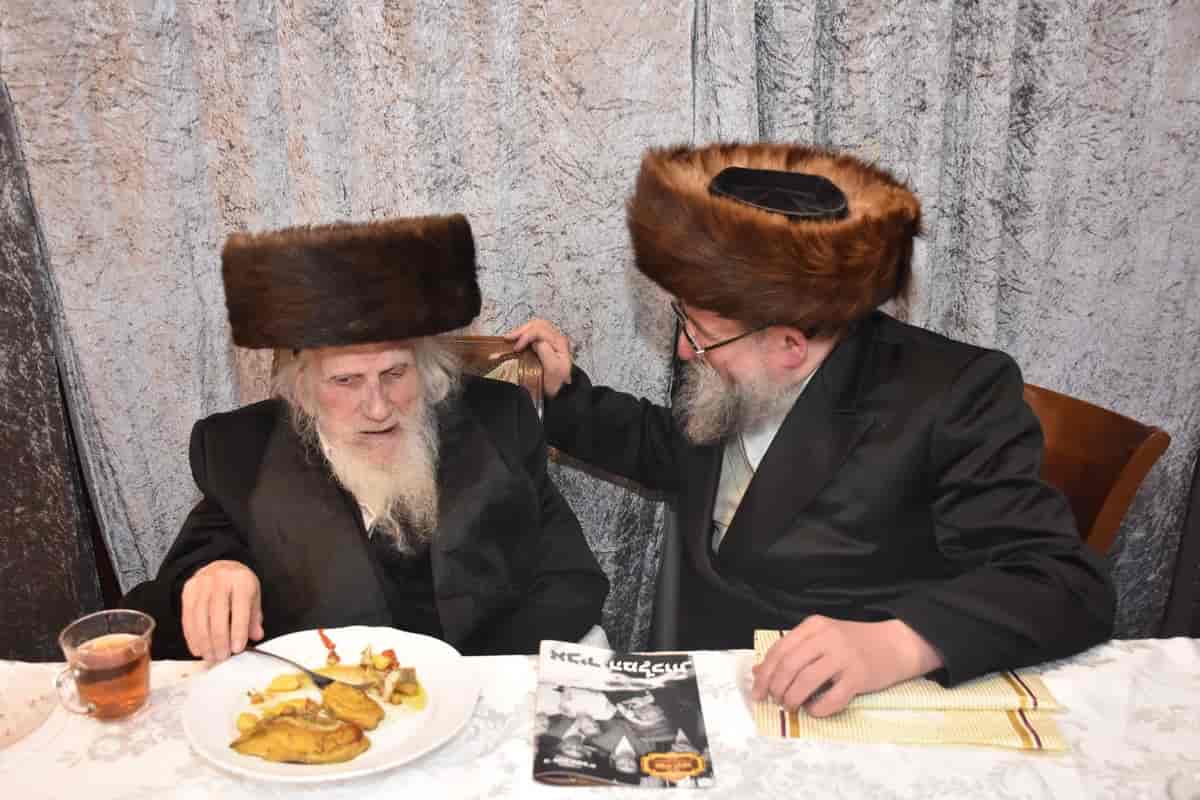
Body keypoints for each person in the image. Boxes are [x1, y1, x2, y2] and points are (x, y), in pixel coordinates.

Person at [507, 143, 1116, 717]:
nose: (686, 351)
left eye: (700, 335)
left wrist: (900, 644)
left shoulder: (955, 396)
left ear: (790, 346)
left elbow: (1064, 584)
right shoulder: (724, 346)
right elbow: (678, 449)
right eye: (684, 322)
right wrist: (562, 397)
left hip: (832, 712)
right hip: (707, 681)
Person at [123, 214, 608, 662]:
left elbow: (572, 578)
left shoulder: (501, 420)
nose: (377, 407)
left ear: (429, 369)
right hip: (325, 707)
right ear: (302, 388)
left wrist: (475, 677)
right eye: (346, 381)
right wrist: (211, 574)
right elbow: (162, 607)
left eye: (395, 373)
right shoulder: (240, 452)